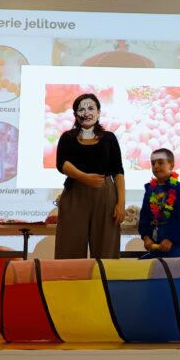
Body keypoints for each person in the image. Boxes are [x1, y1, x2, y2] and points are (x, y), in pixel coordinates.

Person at [54, 93, 125, 259]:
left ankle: (104, 277)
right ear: (75, 114)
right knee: (69, 246)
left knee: (106, 249)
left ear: (98, 112)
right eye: (81, 109)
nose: (86, 113)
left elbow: (118, 171)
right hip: (75, 194)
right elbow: (62, 164)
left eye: (91, 108)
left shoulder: (109, 138)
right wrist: (84, 177)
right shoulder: (67, 137)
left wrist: (121, 203)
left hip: (105, 195)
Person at [138, 148, 180, 332]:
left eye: (161, 162)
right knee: (157, 280)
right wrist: (146, 236)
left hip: (174, 244)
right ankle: (159, 318)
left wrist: (170, 238)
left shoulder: (179, 189)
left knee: (178, 280)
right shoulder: (150, 189)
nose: (156, 166)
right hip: (155, 242)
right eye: (153, 163)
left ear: (171, 165)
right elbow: (145, 216)